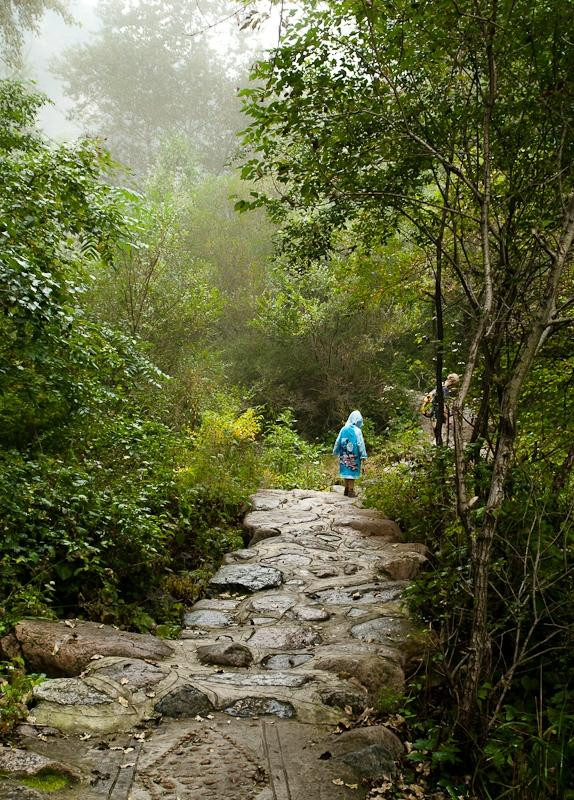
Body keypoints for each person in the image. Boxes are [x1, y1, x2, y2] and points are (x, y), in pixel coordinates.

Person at [333, 410, 368, 497]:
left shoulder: (343, 429)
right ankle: (351, 490)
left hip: (344, 454)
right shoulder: (357, 431)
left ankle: (346, 488)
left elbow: (337, 441)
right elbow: (360, 444)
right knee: (352, 471)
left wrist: (335, 451)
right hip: (354, 455)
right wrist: (363, 455)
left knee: (346, 470)